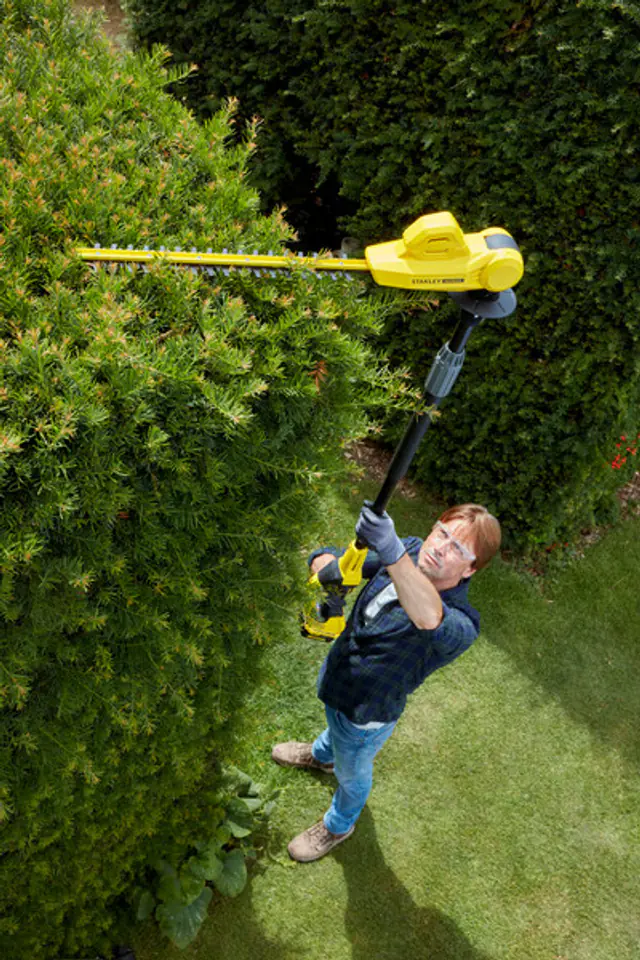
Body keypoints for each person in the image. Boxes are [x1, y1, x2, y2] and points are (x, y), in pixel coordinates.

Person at [272, 501, 501, 863]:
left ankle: (339, 825)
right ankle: (320, 756)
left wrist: (392, 550)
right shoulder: (410, 551)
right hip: (338, 678)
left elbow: (429, 617)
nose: (441, 547)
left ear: (471, 569)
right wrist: (328, 570)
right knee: (335, 729)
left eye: (458, 548)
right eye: (442, 533)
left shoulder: (462, 625)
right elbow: (342, 560)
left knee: (353, 773)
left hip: (367, 714)